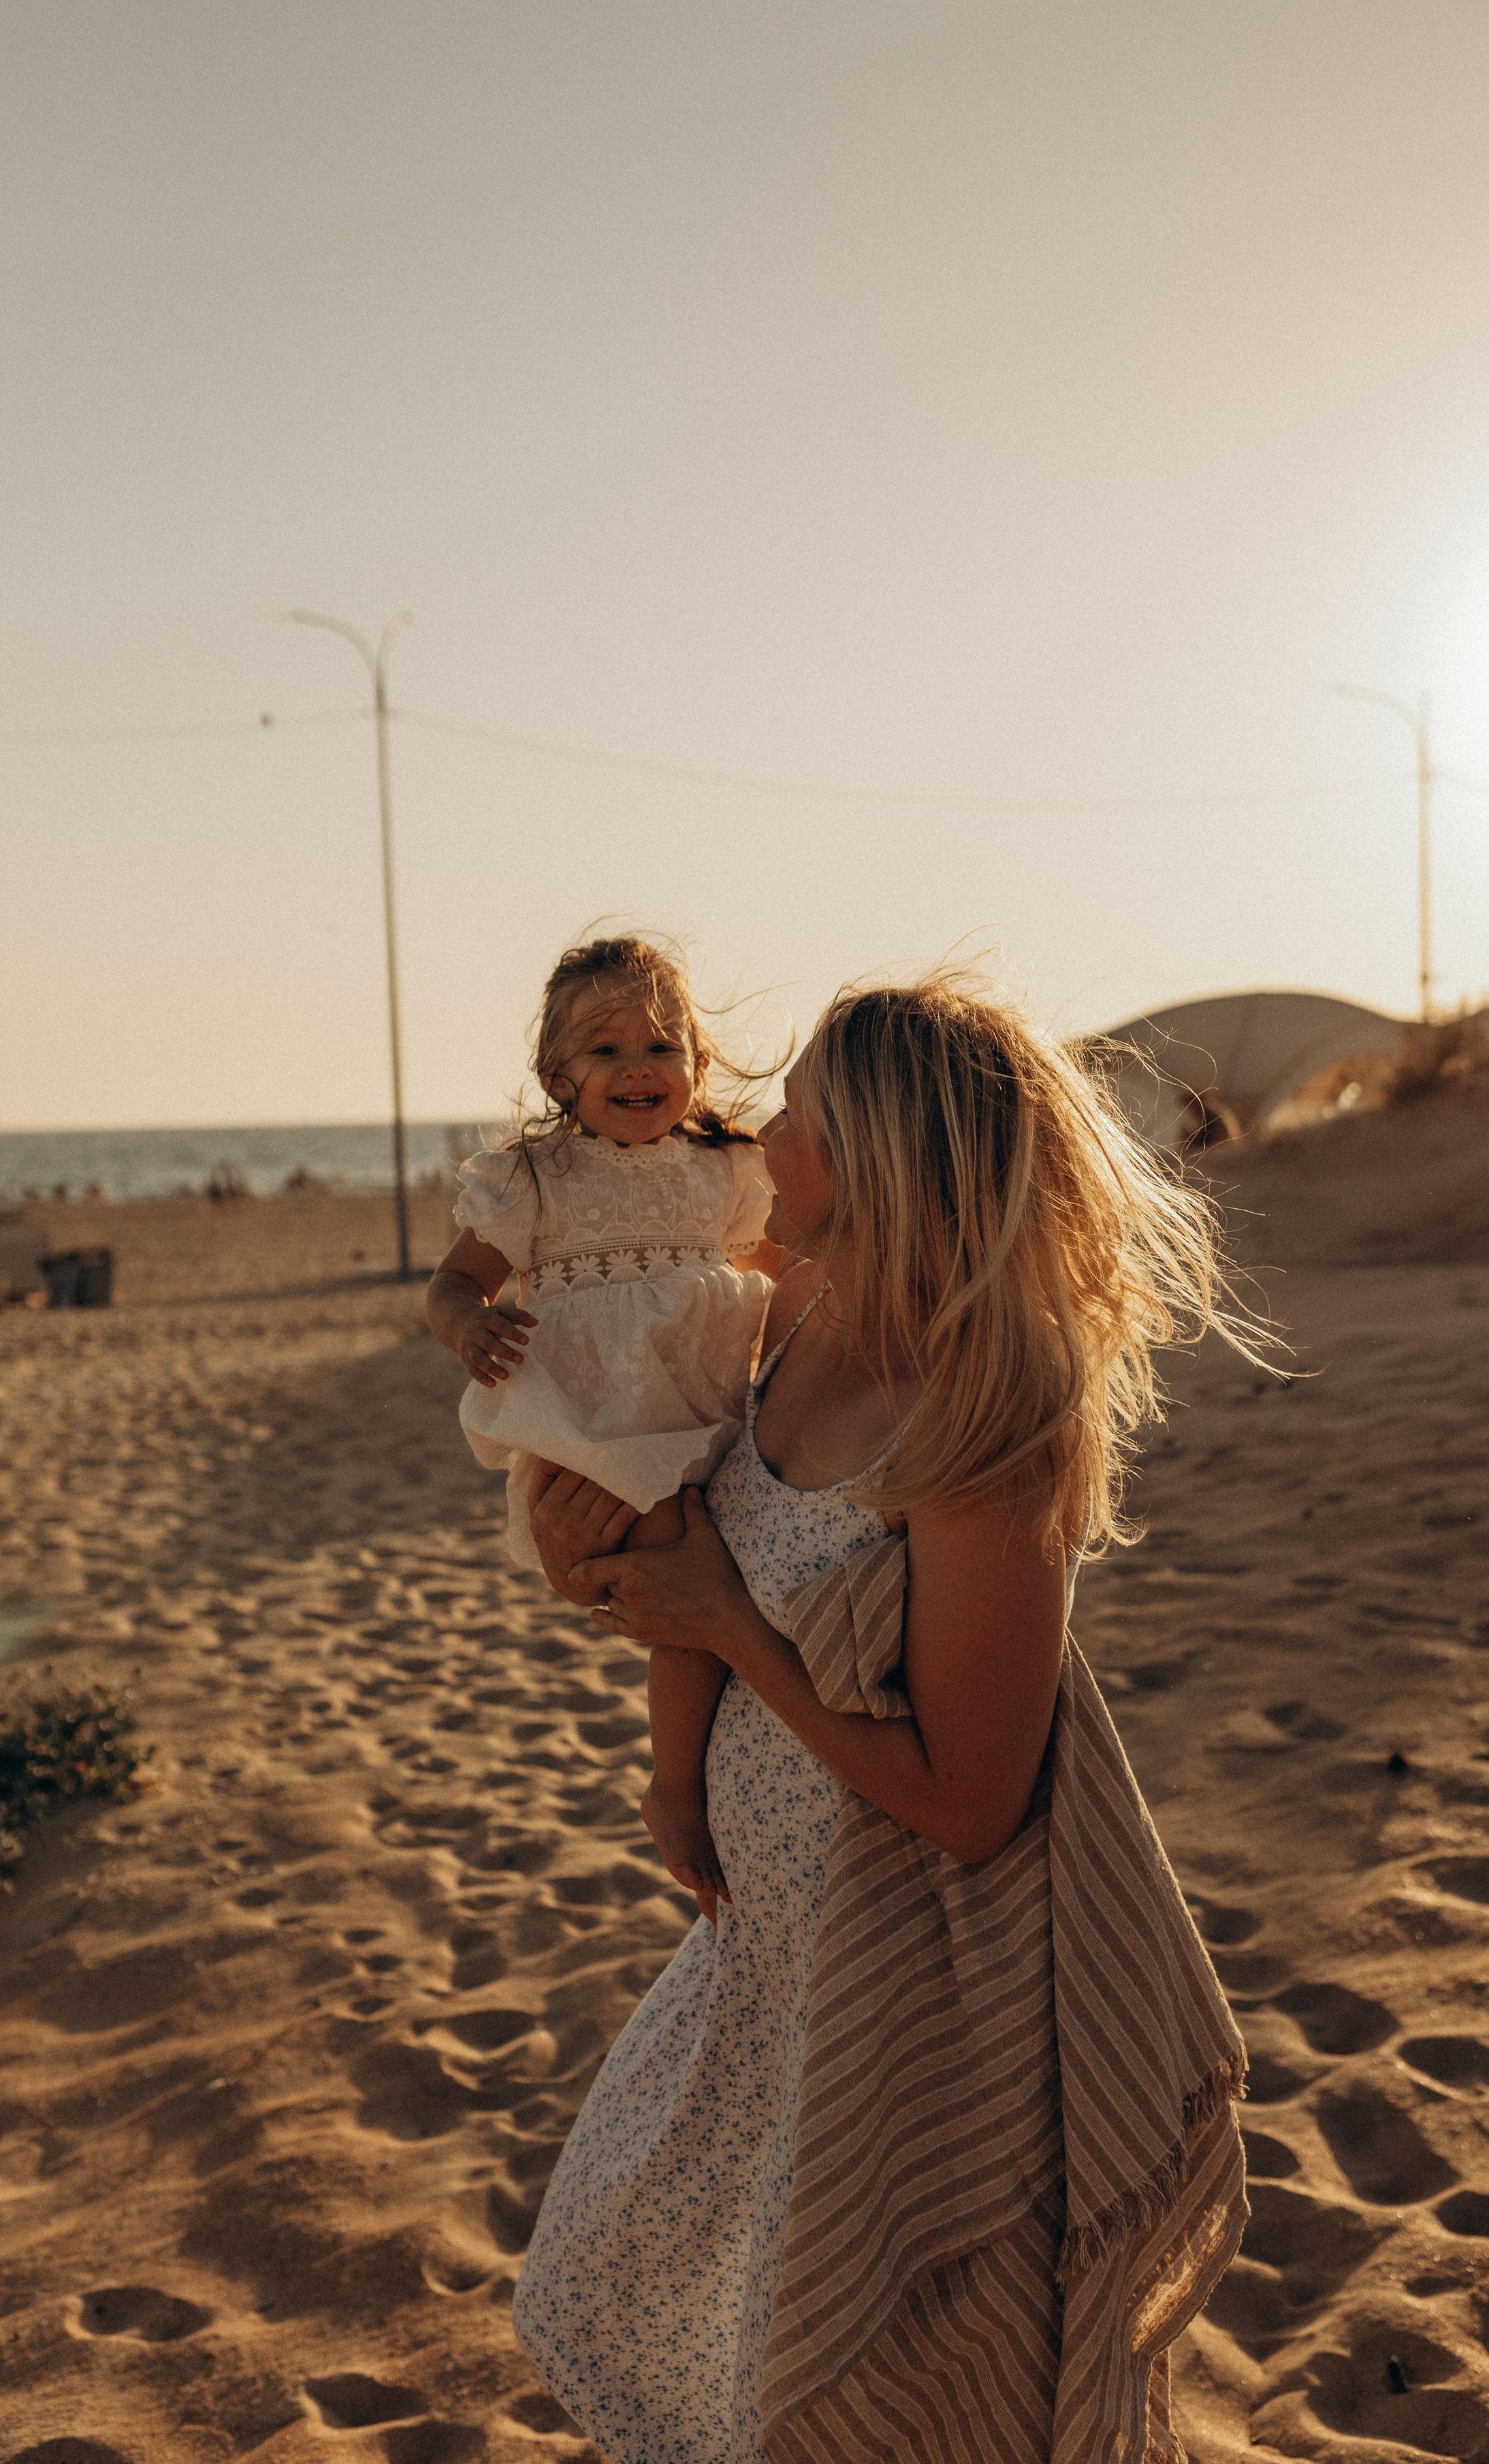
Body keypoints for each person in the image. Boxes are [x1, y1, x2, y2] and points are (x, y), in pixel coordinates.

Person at [512, 973, 1258, 2464]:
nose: (764, 1123)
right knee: (634, 2272)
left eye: (799, 1105)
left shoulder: (983, 1411)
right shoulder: (786, 1310)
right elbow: (656, 1523)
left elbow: (971, 1800)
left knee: (877, 2382)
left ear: (873, 1151)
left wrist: (731, 1625)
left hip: (911, 1980)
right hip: (767, 1955)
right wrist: (580, 1544)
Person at [426, 934, 777, 1910]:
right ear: (557, 1074)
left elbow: (788, 1277)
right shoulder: (534, 1181)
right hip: (595, 1431)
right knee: (676, 1565)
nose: (638, 1067)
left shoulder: (727, 1168)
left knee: (737, 1560)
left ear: (697, 1065)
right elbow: (452, 1284)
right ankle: (673, 1787)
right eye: (606, 1050)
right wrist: (469, 1327)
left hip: (710, 1416)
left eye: (662, 1047)